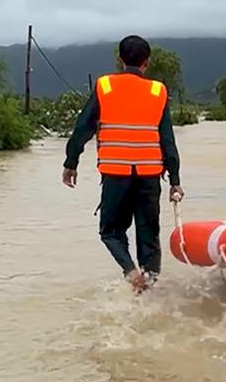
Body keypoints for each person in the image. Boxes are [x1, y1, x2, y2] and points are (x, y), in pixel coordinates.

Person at [63, 35, 184, 293]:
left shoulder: (104, 86)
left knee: (110, 231)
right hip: (149, 176)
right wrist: (175, 181)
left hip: (115, 174)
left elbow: (83, 127)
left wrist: (71, 162)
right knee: (149, 237)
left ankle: (130, 272)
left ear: (120, 59)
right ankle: (149, 291)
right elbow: (168, 142)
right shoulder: (158, 91)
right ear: (147, 62)